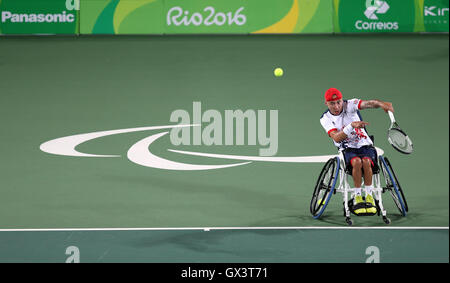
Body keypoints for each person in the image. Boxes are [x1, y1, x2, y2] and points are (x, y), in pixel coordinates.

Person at [319, 88, 394, 215]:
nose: (337, 106)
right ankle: (358, 196)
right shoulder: (325, 118)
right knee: (357, 162)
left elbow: (369, 103)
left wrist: (381, 104)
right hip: (347, 148)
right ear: (326, 103)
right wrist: (351, 126)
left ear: (342, 100)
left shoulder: (350, 104)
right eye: (332, 103)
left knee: (366, 161)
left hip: (364, 144)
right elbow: (337, 137)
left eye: (339, 102)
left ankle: (369, 195)